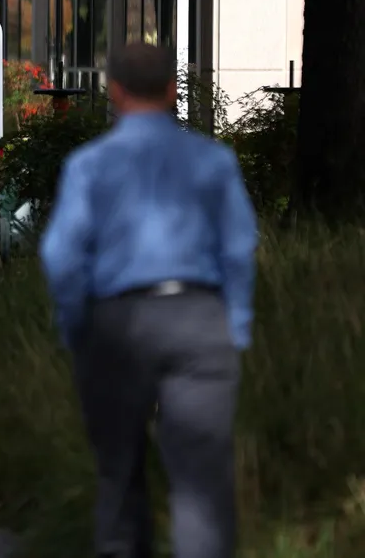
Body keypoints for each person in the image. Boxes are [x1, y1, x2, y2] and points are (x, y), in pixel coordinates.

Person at [39, 42, 257, 558]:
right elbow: (239, 247)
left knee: (119, 472)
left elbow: (62, 255)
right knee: (201, 484)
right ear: (172, 90)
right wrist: (237, 325)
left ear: (113, 91)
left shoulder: (89, 165)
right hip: (200, 320)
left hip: (118, 324)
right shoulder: (214, 160)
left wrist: (77, 327)